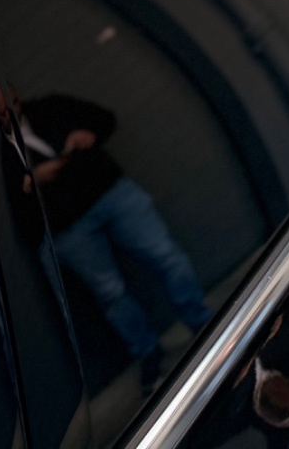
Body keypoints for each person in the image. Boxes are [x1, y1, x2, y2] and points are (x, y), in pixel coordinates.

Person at [12, 90, 214, 392]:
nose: (7, 107)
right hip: (65, 226)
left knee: (165, 256)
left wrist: (88, 135)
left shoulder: (51, 107)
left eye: (9, 99)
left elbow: (105, 119)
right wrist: (30, 180)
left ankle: (201, 322)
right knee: (111, 293)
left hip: (109, 193)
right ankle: (149, 355)